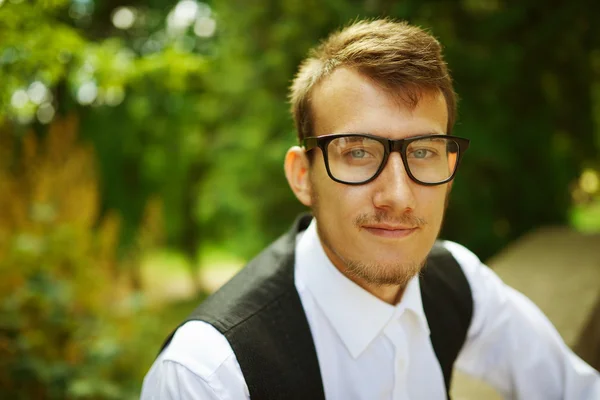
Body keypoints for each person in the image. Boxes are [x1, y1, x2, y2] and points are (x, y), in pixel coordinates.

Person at [141, 19, 600, 399]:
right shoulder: (208, 376)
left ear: (450, 166)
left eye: (423, 152)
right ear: (303, 176)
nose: (398, 195)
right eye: (358, 152)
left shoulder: (459, 280)